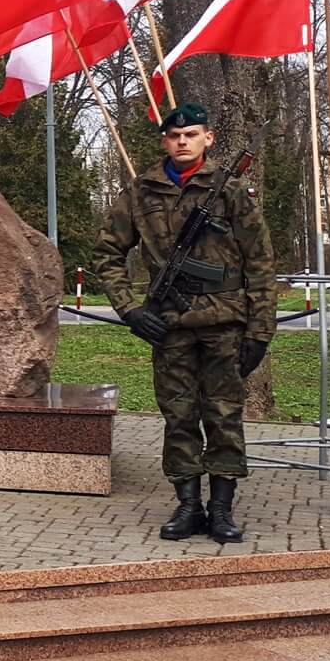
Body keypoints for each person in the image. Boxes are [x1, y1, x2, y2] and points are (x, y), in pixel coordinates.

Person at [93, 102, 276, 544]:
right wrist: (130, 310)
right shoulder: (141, 192)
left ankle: (221, 510)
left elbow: (262, 265)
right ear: (164, 141)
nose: (182, 141)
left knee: (224, 416)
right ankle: (188, 505)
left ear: (208, 139)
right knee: (178, 417)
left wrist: (260, 332)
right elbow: (107, 255)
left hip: (224, 326)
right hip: (169, 325)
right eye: (174, 136)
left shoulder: (231, 190)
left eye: (191, 134)